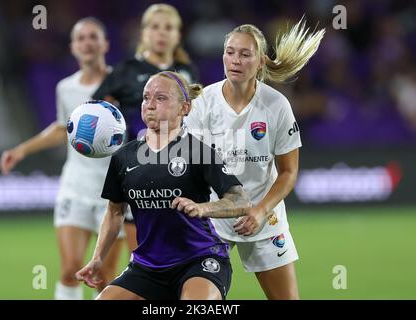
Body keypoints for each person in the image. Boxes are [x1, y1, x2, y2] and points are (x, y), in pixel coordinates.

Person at [76, 71, 252, 300]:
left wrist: (202, 208)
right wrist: (98, 257)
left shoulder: (198, 151)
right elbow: (115, 211)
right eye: (146, 97)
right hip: (147, 266)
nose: (150, 105)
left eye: (160, 98)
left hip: (199, 260)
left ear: (184, 108)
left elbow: (241, 201)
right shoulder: (124, 156)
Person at [184, 20, 325, 299]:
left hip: (263, 217)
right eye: (230, 52)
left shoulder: (276, 106)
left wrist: (260, 210)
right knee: (196, 302)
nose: (235, 60)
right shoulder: (203, 103)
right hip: (213, 220)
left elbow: (288, 172)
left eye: (245, 54)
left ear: (260, 61)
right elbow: (193, 167)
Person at [0, 17, 126, 300]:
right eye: (81, 38)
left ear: (105, 44)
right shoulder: (65, 88)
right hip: (75, 186)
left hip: (113, 193)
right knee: (70, 269)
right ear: (73, 47)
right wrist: (21, 150)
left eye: (93, 37)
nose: (87, 43)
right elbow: (61, 128)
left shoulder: (123, 82)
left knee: (104, 276)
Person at [92, 3, 199, 257]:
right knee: (146, 265)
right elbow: (97, 116)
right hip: (140, 174)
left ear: (178, 35)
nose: (161, 33)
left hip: (182, 173)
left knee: (182, 261)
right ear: (143, 33)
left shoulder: (187, 72)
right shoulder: (125, 72)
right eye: (155, 27)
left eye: (168, 28)